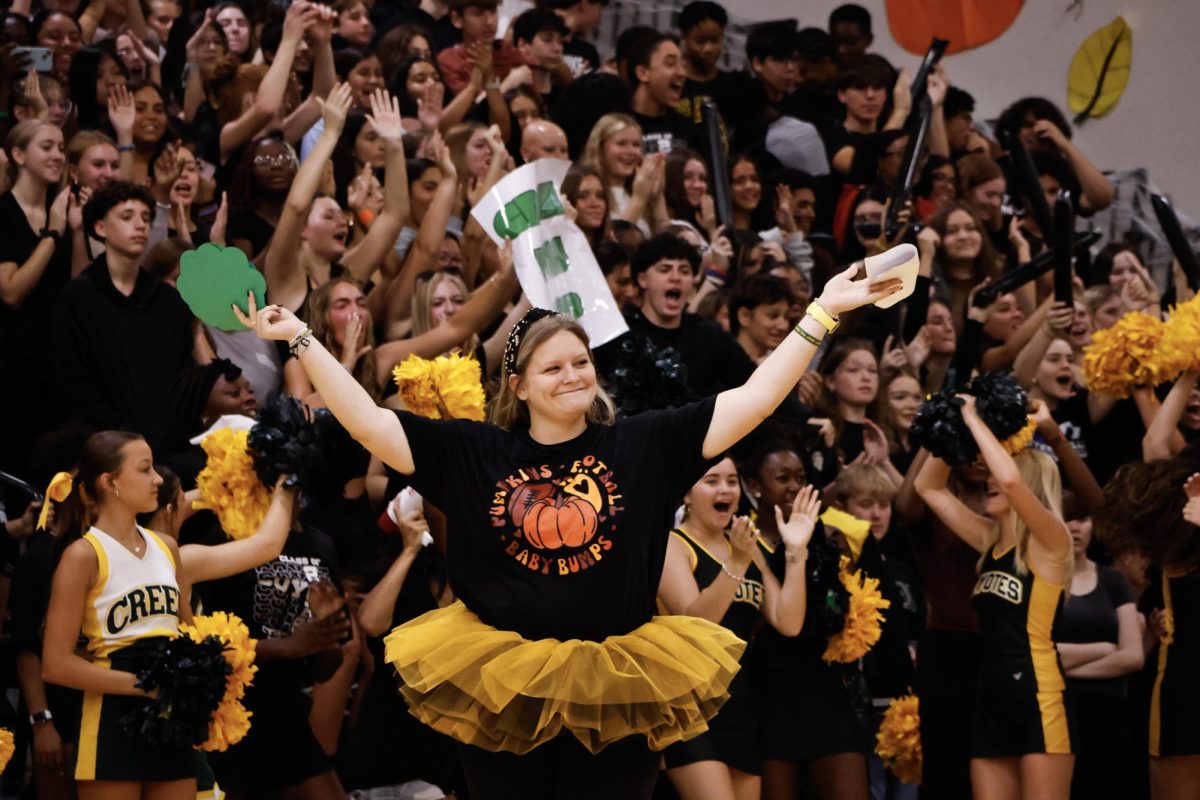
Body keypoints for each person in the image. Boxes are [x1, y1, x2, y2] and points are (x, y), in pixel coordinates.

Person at [233, 241, 902, 798]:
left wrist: (822, 314)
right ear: (517, 386)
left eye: (581, 362)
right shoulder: (474, 450)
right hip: (502, 683)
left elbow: (755, 398)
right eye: (552, 367)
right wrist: (302, 339)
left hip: (617, 682)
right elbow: (371, 423)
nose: (573, 375)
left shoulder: (643, 443)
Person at [915, 397, 1076, 800]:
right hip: (988, 695)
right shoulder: (989, 541)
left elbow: (1009, 482)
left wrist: (975, 418)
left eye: (997, 467)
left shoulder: (1052, 541)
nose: (987, 477)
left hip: (1038, 696)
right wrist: (953, 425)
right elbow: (927, 487)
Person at [41, 431, 195, 797]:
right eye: (145, 469)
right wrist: (145, 686)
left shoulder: (167, 547)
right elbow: (55, 664)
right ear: (110, 482)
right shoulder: (83, 555)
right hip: (110, 716)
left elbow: (190, 633)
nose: (158, 479)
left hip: (170, 716)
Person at [659, 457, 820, 800]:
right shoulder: (672, 545)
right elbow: (697, 623)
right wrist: (736, 562)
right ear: (686, 493)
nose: (725, 490)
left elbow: (789, 622)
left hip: (739, 706)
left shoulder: (748, 545)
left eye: (732, 481)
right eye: (712, 481)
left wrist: (796, 551)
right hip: (689, 708)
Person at [1056, 504, 1142, 800]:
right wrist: (1106, 648)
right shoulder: (1042, 579)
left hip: (1109, 714)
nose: (1075, 527)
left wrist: (1064, 668)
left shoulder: (1112, 580)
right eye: (1066, 517)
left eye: (1081, 517)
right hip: (1058, 712)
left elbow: (1133, 656)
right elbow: (1037, 652)